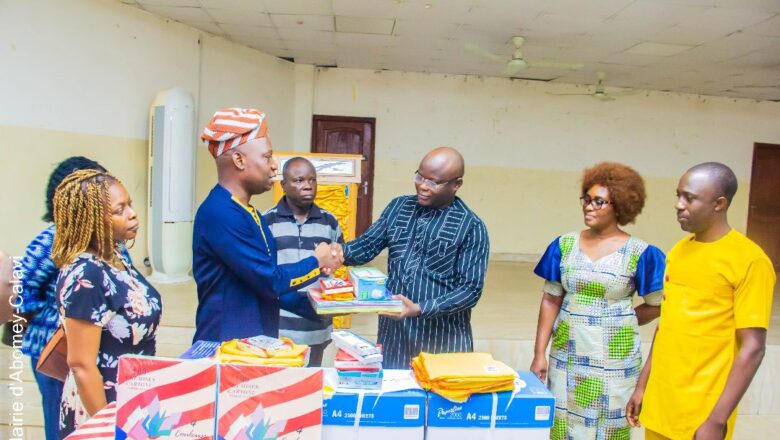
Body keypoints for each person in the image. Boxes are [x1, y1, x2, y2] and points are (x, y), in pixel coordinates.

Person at [626, 162, 776, 440]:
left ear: (719, 203)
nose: (678, 205)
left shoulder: (750, 262)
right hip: (662, 402)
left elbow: (753, 349)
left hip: (703, 413)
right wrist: (642, 386)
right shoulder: (678, 253)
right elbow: (666, 326)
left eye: (689, 197)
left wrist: (717, 420)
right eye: (678, 195)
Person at [531, 162, 665, 440]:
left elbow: (658, 303)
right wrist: (539, 353)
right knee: (563, 420)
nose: (589, 207)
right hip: (567, 353)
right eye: (587, 199)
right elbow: (550, 299)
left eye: (599, 202)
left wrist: (623, 319)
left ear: (620, 206)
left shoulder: (641, 253)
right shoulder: (564, 245)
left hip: (615, 359)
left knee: (610, 424)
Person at [193, 108, 342, 343]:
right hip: (226, 348)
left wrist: (319, 308)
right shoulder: (220, 213)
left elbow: (260, 286)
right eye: (267, 157)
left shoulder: (249, 213)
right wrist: (317, 261)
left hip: (252, 345)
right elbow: (271, 280)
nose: (274, 166)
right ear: (239, 160)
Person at [342, 146, 489, 369]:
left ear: (456, 184)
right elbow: (367, 246)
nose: (422, 185)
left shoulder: (471, 227)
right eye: (420, 176)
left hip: (442, 342)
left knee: (442, 402)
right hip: (394, 337)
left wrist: (420, 308)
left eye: (433, 182)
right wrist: (337, 253)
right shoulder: (398, 208)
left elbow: (470, 291)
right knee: (396, 398)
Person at [51, 169, 161, 438]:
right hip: (101, 411)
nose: (132, 214)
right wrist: (107, 430)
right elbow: (81, 365)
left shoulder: (116, 256)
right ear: (90, 220)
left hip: (132, 399)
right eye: (119, 210)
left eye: (130, 205)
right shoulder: (86, 275)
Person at [16, 156, 113, 440]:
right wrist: (51, 317)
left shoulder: (108, 238)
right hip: (56, 355)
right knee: (62, 428)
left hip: (94, 353)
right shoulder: (53, 238)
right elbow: (20, 287)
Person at [263, 157, 344, 366]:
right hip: (279, 326)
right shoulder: (267, 222)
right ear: (283, 185)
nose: (307, 185)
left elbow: (336, 263)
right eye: (298, 180)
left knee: (312, 378)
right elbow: (264, 275)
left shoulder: (330, 222)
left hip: (316, 325)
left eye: (312, 180)